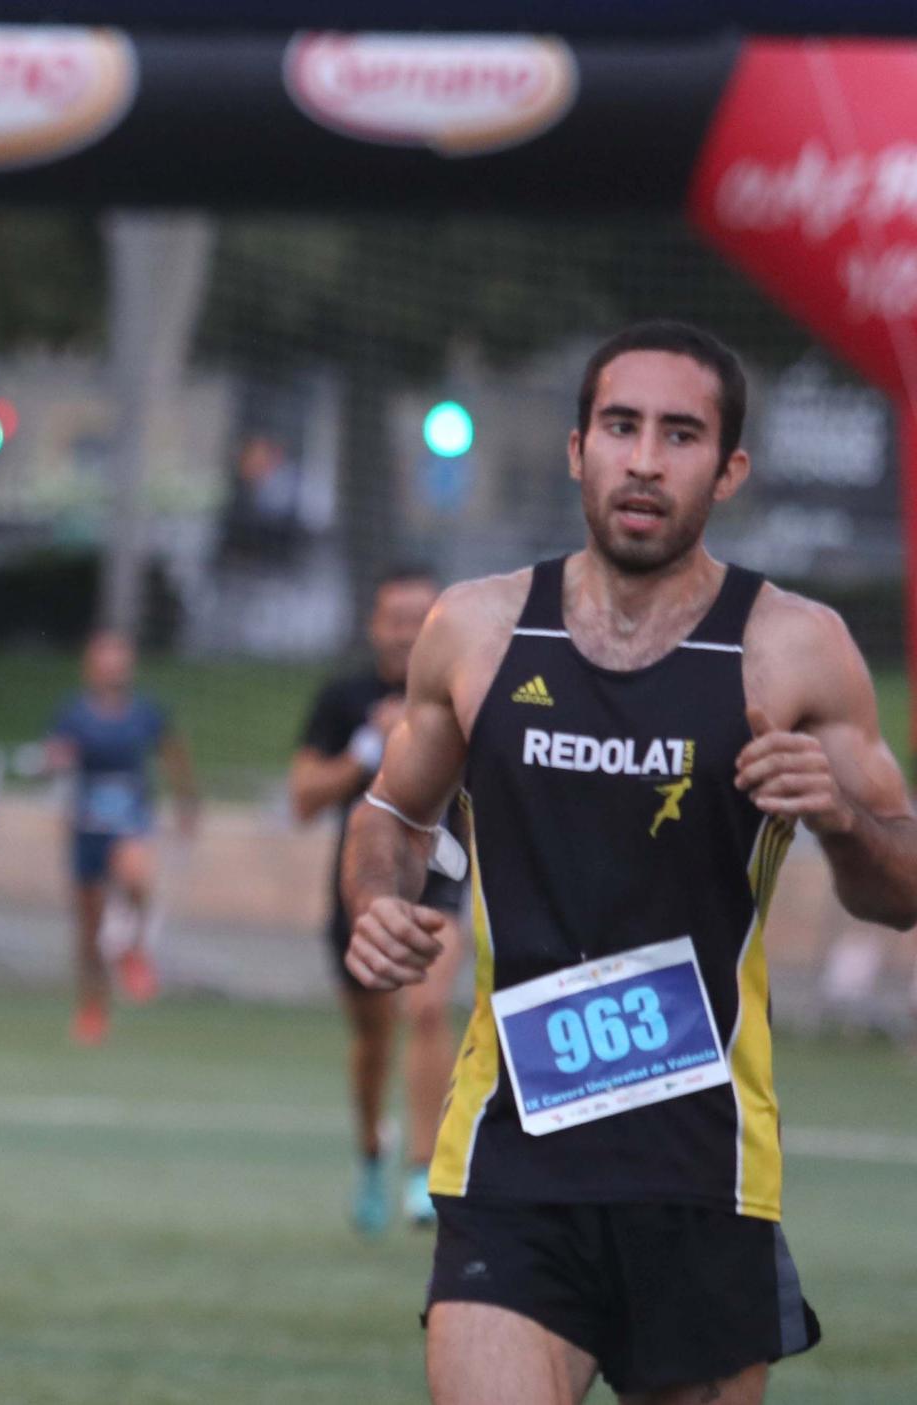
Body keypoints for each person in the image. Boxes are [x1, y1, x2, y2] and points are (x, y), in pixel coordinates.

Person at [343, 321, 917, 1405]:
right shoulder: (474, 631)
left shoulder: (792, 647)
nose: (644, 458)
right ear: (575, 450)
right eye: (619, 426)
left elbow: (902, 887)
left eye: (680, 434)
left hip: (700, 1172)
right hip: (511, 1158)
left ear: (728, 468)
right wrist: (377, 896)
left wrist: (840, 815)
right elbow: (388, 809)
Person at [291, 566, 465, 1233]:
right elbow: (303, 798)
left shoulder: (464, 691)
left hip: (441, 872)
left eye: (422, 616)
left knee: (425, 1007)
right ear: (374, 625)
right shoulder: (344, 698)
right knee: (372, 1037)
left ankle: (425, 1171)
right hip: (362, 882)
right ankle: (370, 1154)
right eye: (396, 617)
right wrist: (370, 747)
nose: (407, 631)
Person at [44, 629, 198, 1047]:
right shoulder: (74, 713)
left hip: (130, 821)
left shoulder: (145, 713)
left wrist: (187, 803)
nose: (113, 666)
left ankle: (133, 948)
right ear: (91, 666)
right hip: (87, 829)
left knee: (136, 877)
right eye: (105, 658)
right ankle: (92, 1007)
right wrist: (54, 761)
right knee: (88, 930)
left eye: (120, 657)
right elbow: (55, 756)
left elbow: (173, 754)